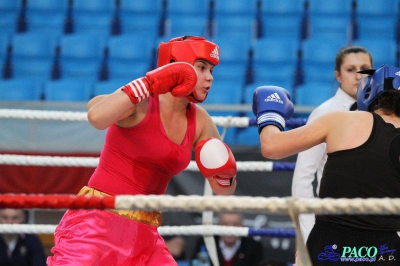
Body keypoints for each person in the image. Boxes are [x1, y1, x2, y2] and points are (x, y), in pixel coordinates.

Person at [47, 36, 238, 266]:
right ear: (177, 65)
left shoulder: (200, 120)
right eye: (202, 68)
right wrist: (148, 83)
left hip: (146, 232)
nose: (210, 77)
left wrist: (225, 173)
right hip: (96, 221)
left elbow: (224, 190)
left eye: (212, 70)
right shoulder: (141, 101)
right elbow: (96, 117)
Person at [252, 64, 400, 265]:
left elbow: (271, 146)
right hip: (385, 252)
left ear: (369, 90)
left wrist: (271, 113)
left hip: (329, 247)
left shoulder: (341, 121)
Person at [291, 45, 373, 243]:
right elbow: (303, 176)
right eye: (351, 69)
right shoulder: (323, 114)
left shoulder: (385, 113)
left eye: (364, 68)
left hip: (378, 223)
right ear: (338, 75)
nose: (359, 75)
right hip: (334, 224)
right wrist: (310, 232)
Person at [191, 212, 264, 266]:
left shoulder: (254, 247)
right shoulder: (205, 243)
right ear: (218, 226)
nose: (230, 230)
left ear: (242, 226)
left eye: (235, 224)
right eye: (225, 224)